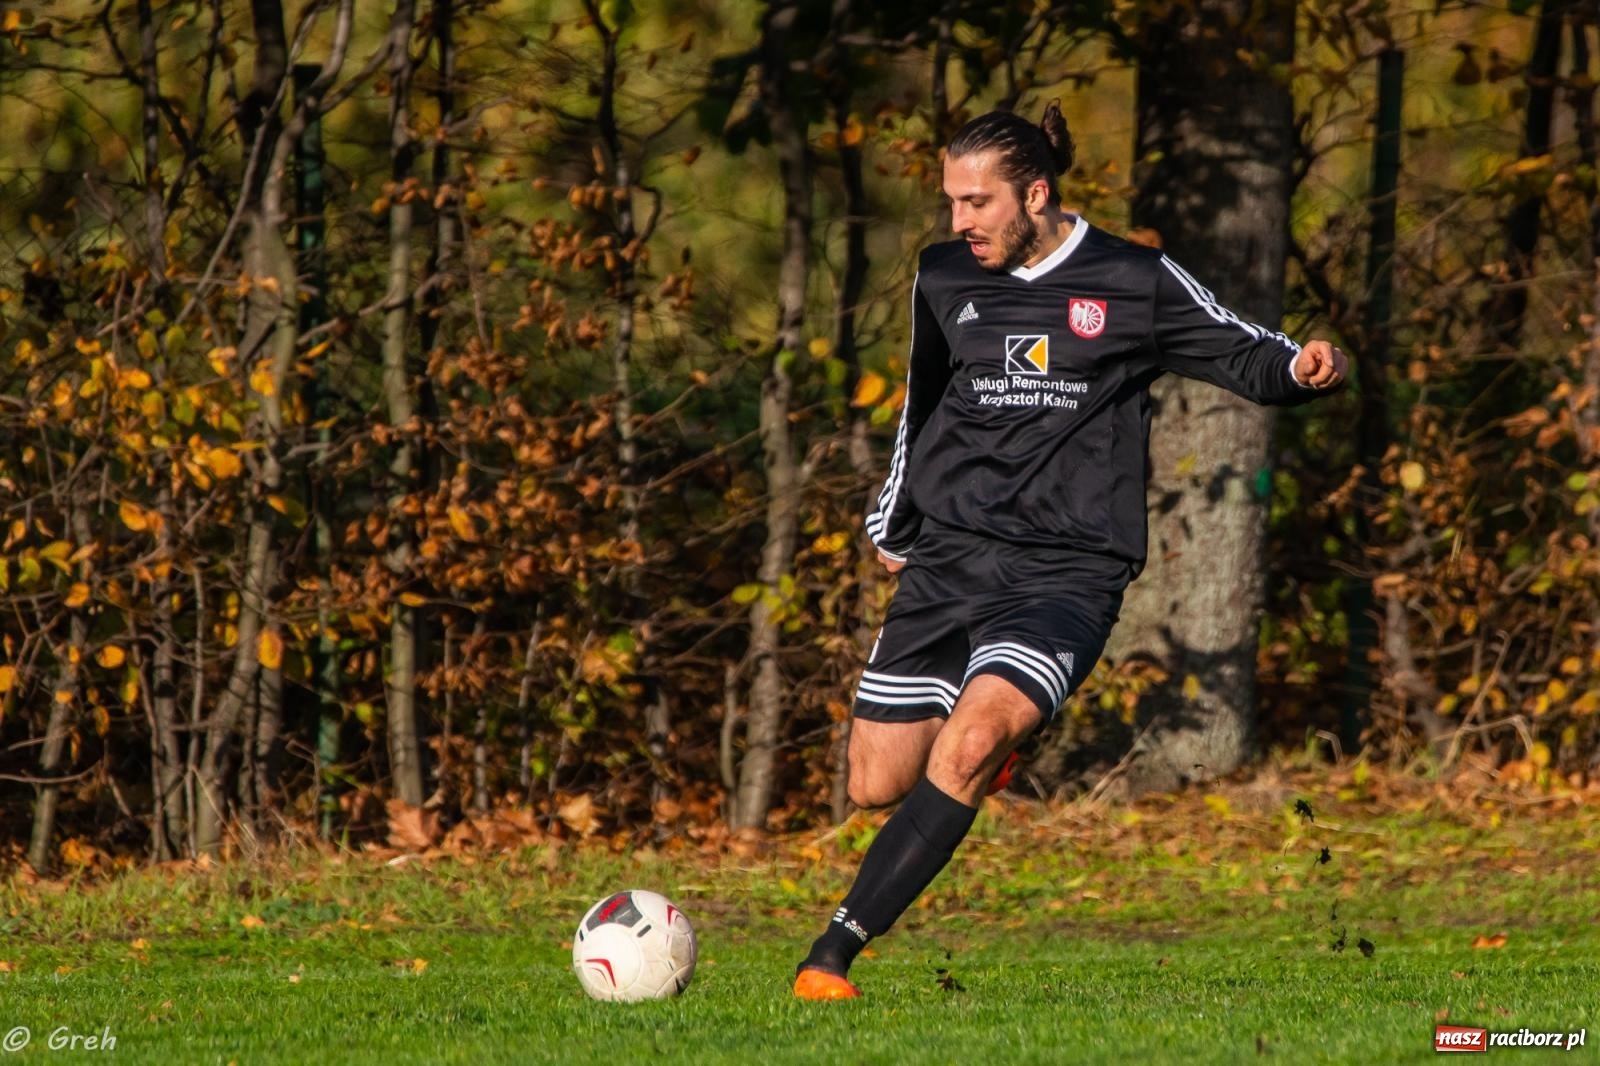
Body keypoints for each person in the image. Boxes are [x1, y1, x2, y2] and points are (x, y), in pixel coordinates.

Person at [792, 104, 1347, 1001]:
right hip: (951, 557)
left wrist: (1303, 366)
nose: (959, 222)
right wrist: (894, 521)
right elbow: (921, 403)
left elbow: (1242, 352)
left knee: (967, 748)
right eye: (951, 202)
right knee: (874, 782)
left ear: (1037, 194)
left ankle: (830, 956)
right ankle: (993, 747)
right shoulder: (942, 278)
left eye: (978, 203)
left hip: (1067, 568)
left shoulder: (1132, 278)